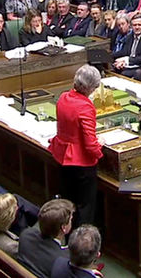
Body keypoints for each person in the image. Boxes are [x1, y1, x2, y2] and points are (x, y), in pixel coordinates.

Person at [49, 65, 104, 227]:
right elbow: (90, 145)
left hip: (62, 157)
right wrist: (100, 150)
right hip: (81, 164)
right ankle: (83, 243)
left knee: (68, 204)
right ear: (91, 88)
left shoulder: (63, 97)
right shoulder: (85, 107)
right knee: (85, 207)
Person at [17, 199, 73, 278]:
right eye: (70, 219)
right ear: (63, 227)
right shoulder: (62, 262)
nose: (71, 221)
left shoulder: (26, 235)